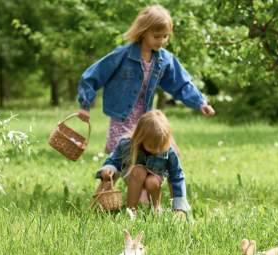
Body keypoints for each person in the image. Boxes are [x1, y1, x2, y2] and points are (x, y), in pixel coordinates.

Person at [77, 4, 215, 154]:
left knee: (169, 152)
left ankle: (167, 177)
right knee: (120, 157)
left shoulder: (165, 60)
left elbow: (181, 84)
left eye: (165, 36)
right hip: (122, 117)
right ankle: (108, 176)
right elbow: (92, 76)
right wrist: (85, 105)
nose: (161, 41)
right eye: (157, 36)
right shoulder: (122, 55)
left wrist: (200, 102)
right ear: (143, 32)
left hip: (146, 117)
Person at [97, 110, 189, 217]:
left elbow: (177, 176)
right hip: (133, 176)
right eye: (151, 146)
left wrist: (179, 207)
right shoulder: (127, 144)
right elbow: (114, 159)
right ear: (140, 138)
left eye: (160, 147)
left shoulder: (168, 150)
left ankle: (156, 209)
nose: (157, 150)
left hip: (155, 178)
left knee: (152, 181)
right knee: (138, 170)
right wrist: (109, 169)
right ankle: (131, 211)